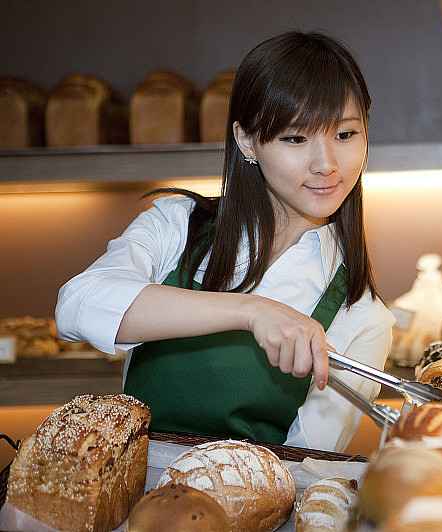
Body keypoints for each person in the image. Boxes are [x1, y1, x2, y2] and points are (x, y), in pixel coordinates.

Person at [55, 31, 395, 452]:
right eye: (296, 138)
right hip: (131, 503)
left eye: (345, 135)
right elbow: (76, 306)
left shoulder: (362, 315)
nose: (326, 165)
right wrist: (252, 311)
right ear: (246, 140)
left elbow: (305, 466)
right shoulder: (179, 226)